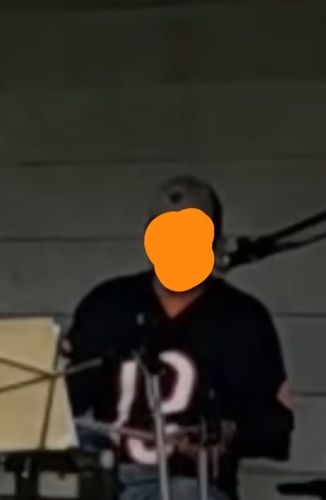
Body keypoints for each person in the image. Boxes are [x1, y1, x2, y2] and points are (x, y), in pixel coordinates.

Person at [64, 176, 293, 500]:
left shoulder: (242, 318)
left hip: (193, 484)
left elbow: (273, 428)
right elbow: (66, 401)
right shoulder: (108, 304)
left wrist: (224, 435)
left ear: (215, 243)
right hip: (110, 480)